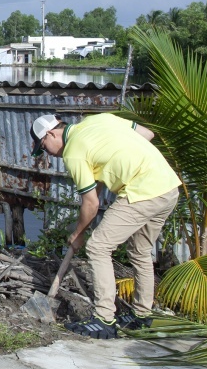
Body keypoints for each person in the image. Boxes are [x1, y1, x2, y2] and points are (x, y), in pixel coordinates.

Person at [30, 113, 180, 339]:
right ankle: (141, 315)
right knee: (139, 251)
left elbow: (91, 203)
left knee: (97, 247)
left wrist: (78, 234)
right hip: (168, 187)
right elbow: (148, 135)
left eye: (44, 147)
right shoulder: (98, 120)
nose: (49, 154)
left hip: (142, 192)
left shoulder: (74, 153)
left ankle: (104, 319)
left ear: (51, 134)